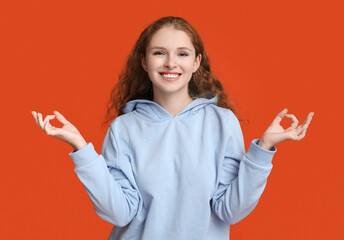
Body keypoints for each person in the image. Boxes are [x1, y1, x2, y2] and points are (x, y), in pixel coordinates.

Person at [31, 16, 314, 240]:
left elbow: (230, 210)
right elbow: (118, 213)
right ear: (144, 61)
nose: (170, 63)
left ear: (196, 62)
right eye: (159, 53)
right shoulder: (124, 129)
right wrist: (82, 149)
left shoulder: (221, 123)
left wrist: (262, 150)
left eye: (182, 53)